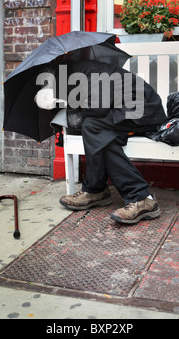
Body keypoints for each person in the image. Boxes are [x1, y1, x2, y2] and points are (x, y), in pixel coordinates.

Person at [35, 59, 167, 225]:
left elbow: (97, 108)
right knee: (98, 133)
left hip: (144, 110)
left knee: (93, 126)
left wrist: (68, 101)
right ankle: (100, 191)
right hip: (123, 111)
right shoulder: (76, 74)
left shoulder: (89, 73)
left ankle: (136, 196)